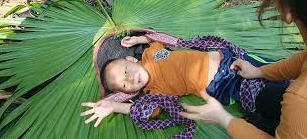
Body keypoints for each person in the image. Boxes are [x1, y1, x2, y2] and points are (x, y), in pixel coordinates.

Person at [179, 0, 307, 138]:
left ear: (288, 13)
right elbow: (303, 60)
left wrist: (222, 118)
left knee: (254, 123)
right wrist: (259, 71)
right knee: (268, 98)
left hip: (298, 111)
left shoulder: (299, 99)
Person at [80, 34, 285, 128]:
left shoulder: (152, 53)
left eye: (125, 70)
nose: (129, 78)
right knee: (271, 100)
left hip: (230, 59)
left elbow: (160, 39)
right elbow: (145, 111)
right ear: (129, 92)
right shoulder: (154, 92)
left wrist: (139, 39)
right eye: (124, 85)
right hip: (225, 85)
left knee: (278, 70)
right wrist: (114, 106)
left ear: (131, 59)